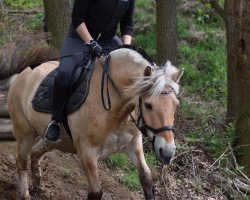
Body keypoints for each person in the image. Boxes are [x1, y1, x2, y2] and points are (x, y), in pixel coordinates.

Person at [44, 0, 135, 142]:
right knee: (64, 75)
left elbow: (127, 24)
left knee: (126, 74)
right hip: (79, 37)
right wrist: (91, 42)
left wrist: (126, 48)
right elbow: (77, 18)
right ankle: (55, 121)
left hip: (108, 41)